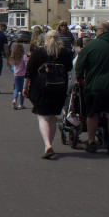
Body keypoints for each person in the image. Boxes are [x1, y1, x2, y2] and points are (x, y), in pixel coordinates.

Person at [74, 21, 109, 155]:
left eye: (96, 30)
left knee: (92, 115)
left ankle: (91, 142)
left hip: (96, 87)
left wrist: (79, 78)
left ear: (101, 31)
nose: (95, 32)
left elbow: (80, 65)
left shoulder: (92, 45)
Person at [24, 30, 72, 159]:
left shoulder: (39, 52)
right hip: (59, 88)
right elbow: (68, 68)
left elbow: (29, 71)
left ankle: (47, 145)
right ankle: (49, 144)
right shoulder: (64, 52)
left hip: (40, 88)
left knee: (43, 117)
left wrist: (25, 87)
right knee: (52, 117)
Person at [9, 41, 28, 110]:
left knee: (16, 88)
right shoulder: (24, 56)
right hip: (23, 74)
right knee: (22, 89)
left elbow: (13, 67)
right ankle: (21, 104)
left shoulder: (14, 57)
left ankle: (14, 99)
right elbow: (26, 65)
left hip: (16, 74)